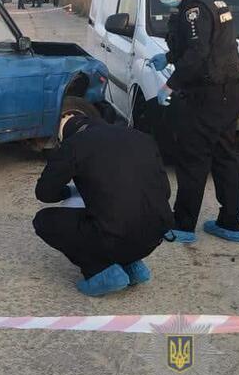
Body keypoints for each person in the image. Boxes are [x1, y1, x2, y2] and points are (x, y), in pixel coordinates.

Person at [143, 0, 239, 244]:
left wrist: (169, 84)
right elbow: (209, 46)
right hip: (231, 91)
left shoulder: (194, 9)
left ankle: (183, 225)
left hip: (210, 96)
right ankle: (231, 223)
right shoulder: (211, 0)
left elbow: (198, 54)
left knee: (193, 157)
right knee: (225, 155)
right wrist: (169, 56)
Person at [33, 113, 173, 296]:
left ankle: (100, 271)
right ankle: (132, 265)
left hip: (115, 237)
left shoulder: (74, 145)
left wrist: (68, 191)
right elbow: (165, 191)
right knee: (121, 210)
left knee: (44, 221)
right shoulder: (141, 137)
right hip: (155, 236)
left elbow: (44, 193)